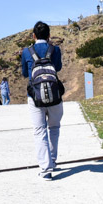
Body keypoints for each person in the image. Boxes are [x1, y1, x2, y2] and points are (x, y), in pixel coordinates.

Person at [20, 21, 64, 180]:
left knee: (39, 130)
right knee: (54, 127)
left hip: (35, 96)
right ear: (49, 35)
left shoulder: (27, 51)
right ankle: (52, 160)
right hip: (55, 95)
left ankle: (45, 170)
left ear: (33, 35)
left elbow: (25, 73)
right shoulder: (55, 49)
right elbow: (57, 68)